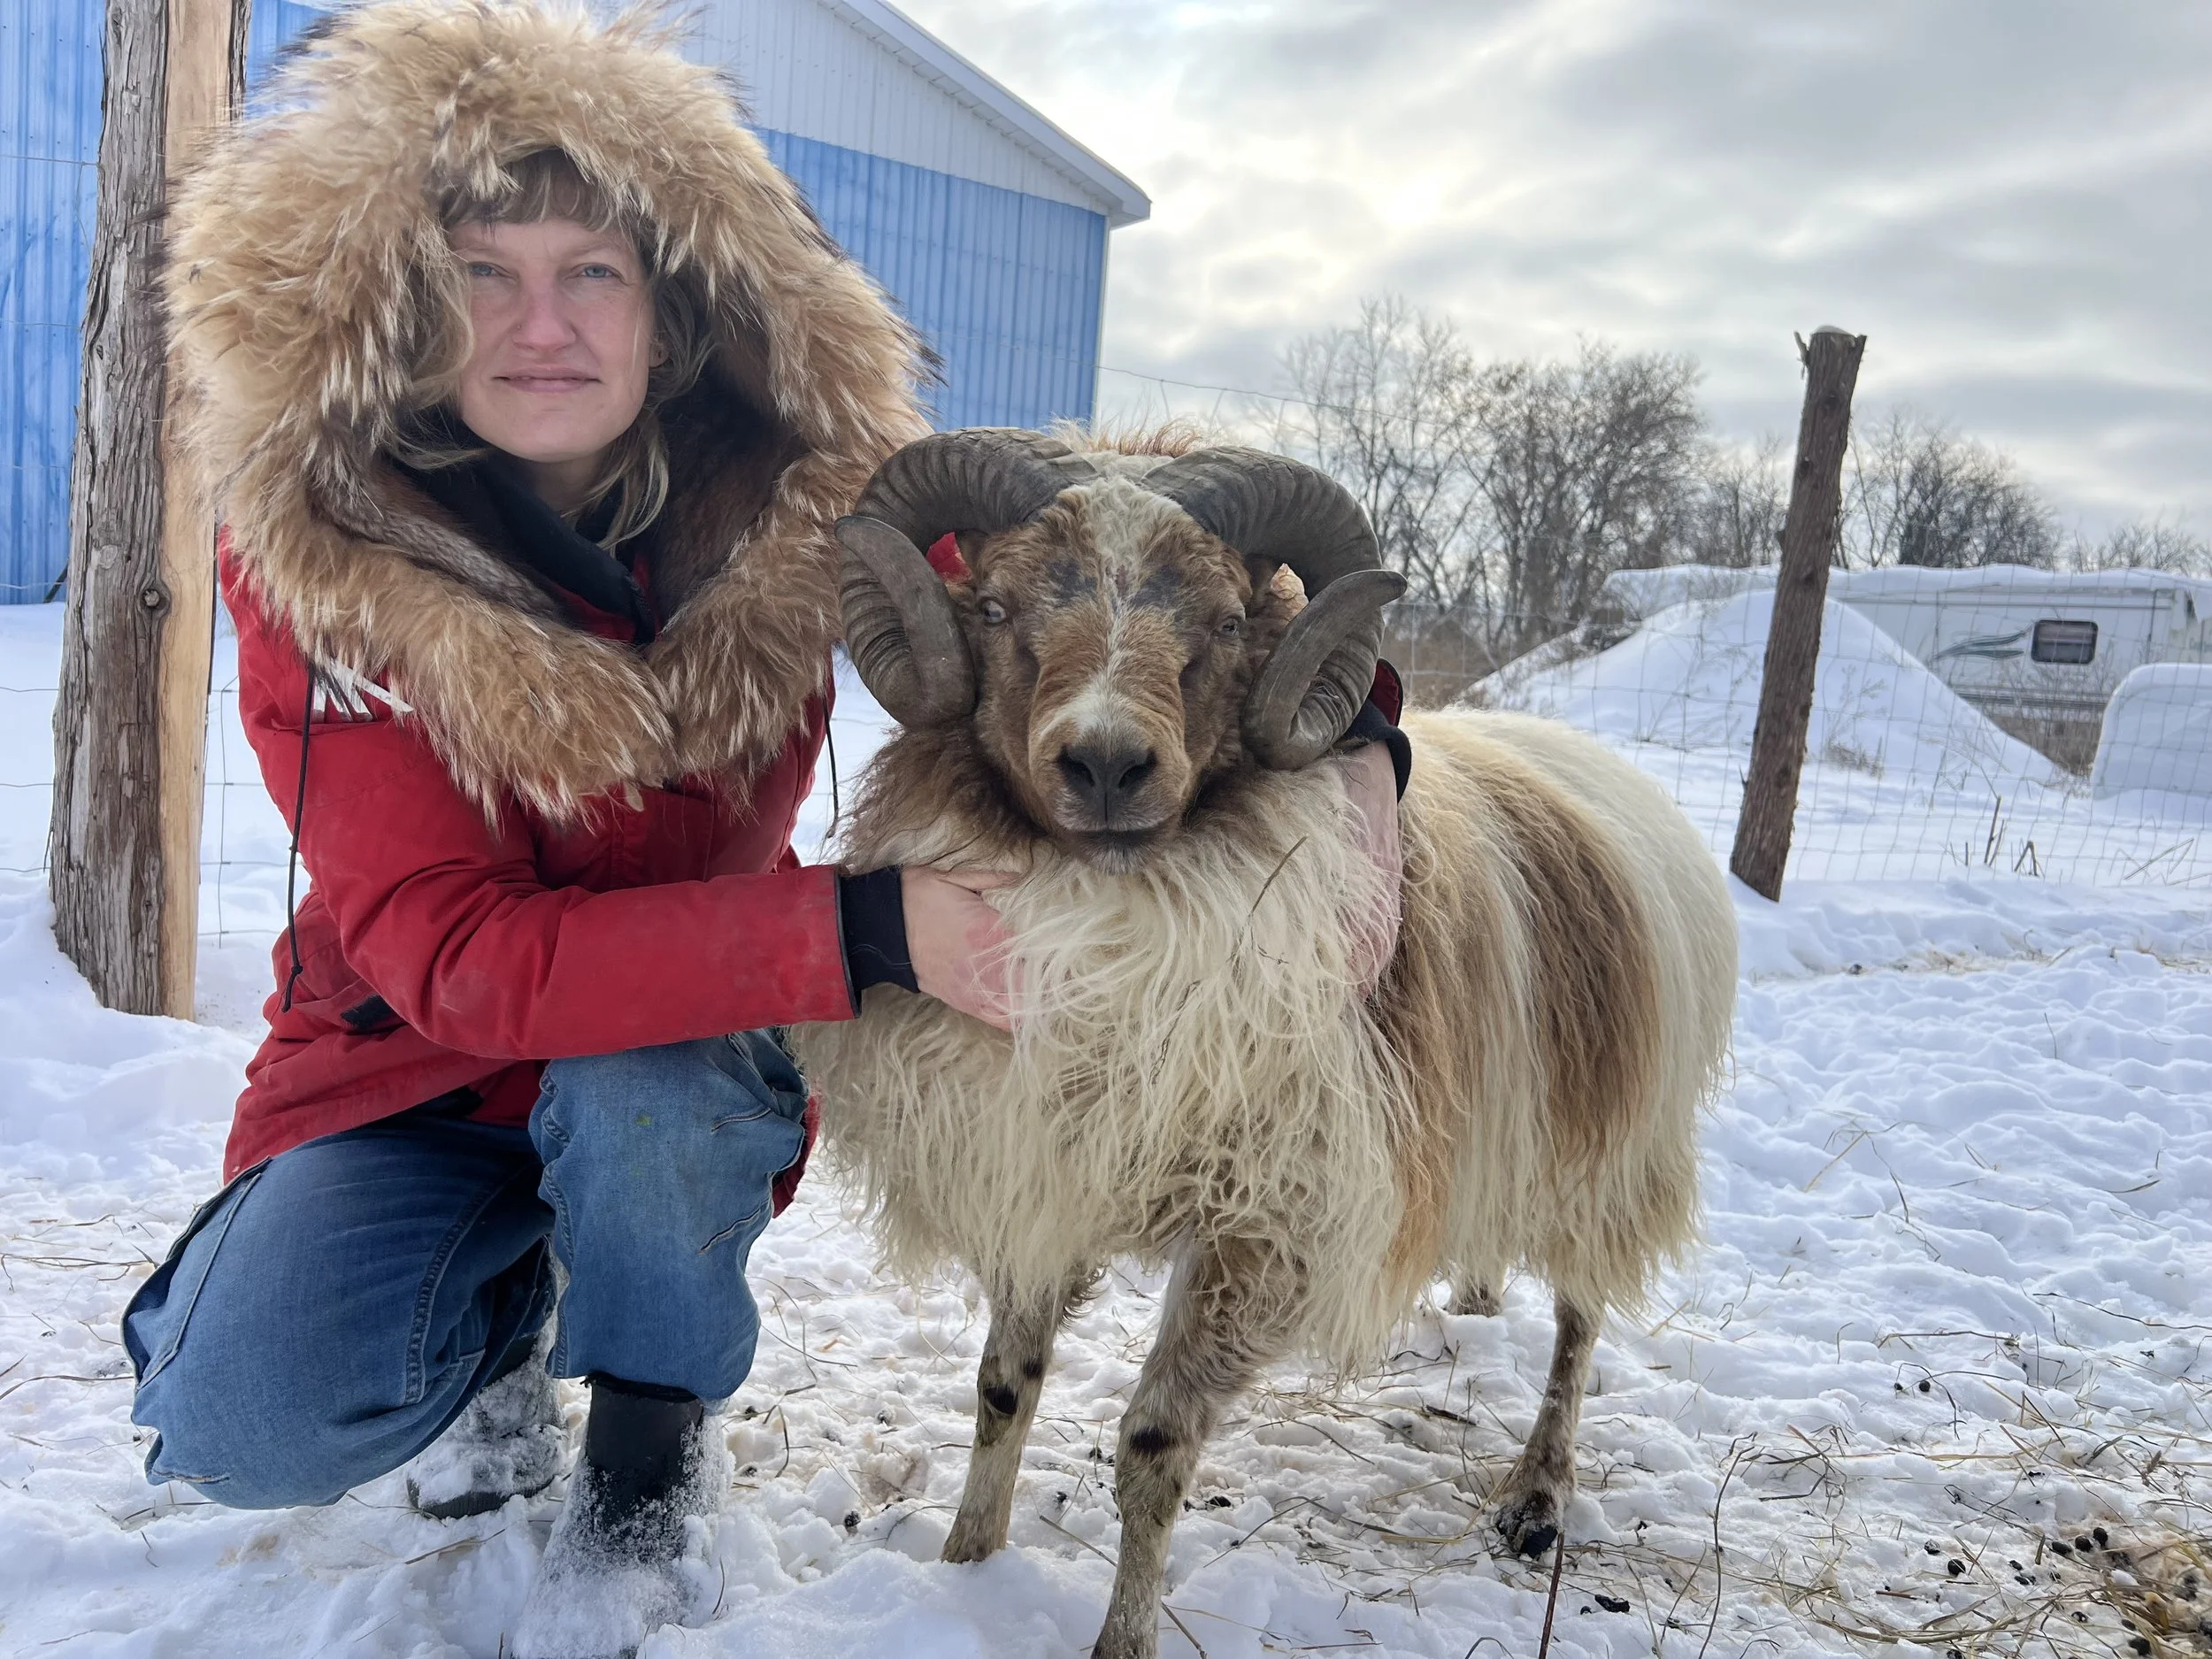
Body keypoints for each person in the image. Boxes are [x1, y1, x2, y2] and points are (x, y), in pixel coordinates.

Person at [121, 5, 1404, 1657]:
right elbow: (452, 947)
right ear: (401, 305)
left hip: (672, 1067)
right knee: (239, 1421)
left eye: (593, 270)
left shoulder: (821, 512)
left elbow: (1116, 595)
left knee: (649, 1092)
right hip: (412, 1067)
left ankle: (647, 1463)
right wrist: (866, 932)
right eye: (482, 271)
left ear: (675, 307)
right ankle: (493, 1336)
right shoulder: (333, 560)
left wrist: (1364, 742)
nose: (541, 323)